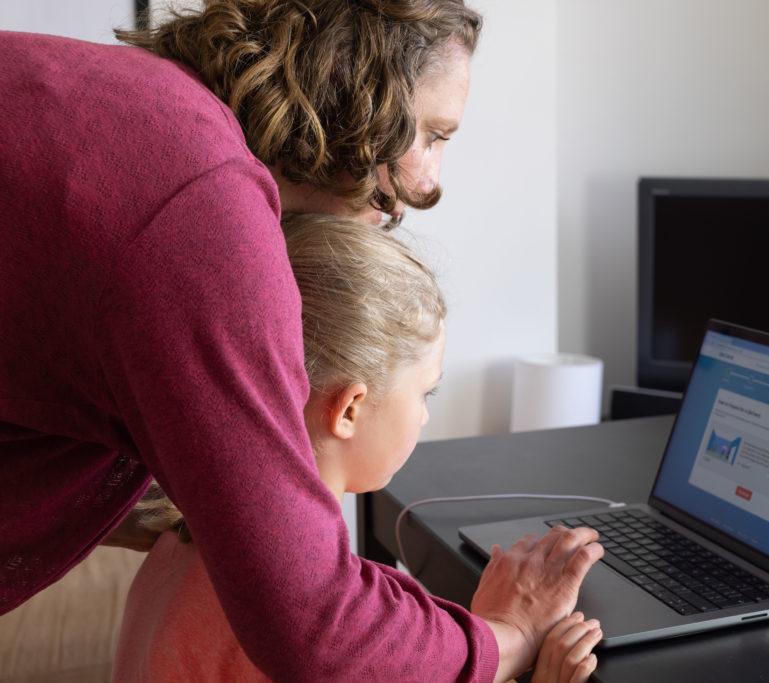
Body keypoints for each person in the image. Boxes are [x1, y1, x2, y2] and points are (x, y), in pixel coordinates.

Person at [0, 2, 602, 680]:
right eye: (433, 134)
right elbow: (316, 625)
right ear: (361, 89)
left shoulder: (148, 105)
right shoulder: (199, 209)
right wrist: (510, 636)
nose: (428, 184)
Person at [113, 214, 603, 682]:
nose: (425, 415)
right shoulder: (334, 630)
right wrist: (509, 632)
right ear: (349, 409)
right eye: (425, 392)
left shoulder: (174, 546)